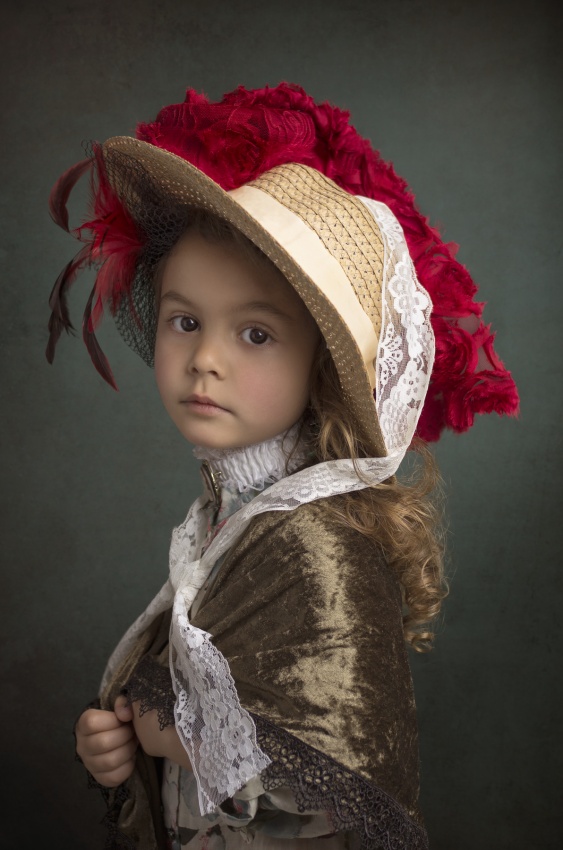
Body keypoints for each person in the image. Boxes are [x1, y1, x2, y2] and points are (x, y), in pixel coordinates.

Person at [47, 84, 518, 850]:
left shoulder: (319, 546)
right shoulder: (225, 517)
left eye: (255, 334)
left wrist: (168, 734)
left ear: (319, 367)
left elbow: (342, 768)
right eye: (184, 320)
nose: (204, 357)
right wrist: (118, 751)